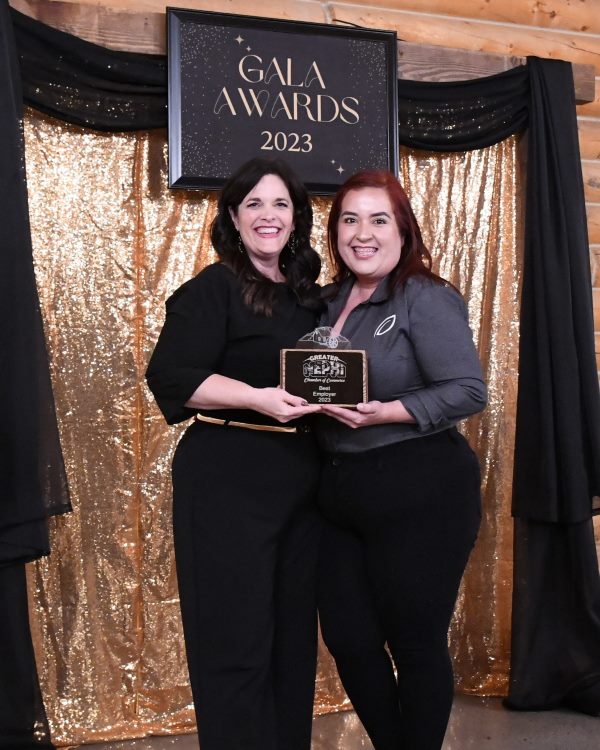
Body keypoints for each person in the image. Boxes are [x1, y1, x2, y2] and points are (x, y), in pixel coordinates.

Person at [145, 157, 323, 750]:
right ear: (233, 217)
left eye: (281, 205)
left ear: (296, 218)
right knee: (235, 639)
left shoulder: (313, 300)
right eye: (254, 204)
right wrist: (259, 399)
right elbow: (171, 376)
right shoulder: (212, 289)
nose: (268, 216)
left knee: (293, 641)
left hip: (305, 479)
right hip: (227, 475)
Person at [315, 170, 487, 750]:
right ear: (335, 229)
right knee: (349, 639)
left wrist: (384, 412)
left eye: (378, 219)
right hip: (339, 491)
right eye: (349, 219)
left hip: (421, 488)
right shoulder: (327, 300)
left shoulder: (424, 296)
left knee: (413, 643)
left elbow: (468, 390)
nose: (362, 233)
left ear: (403, 229)